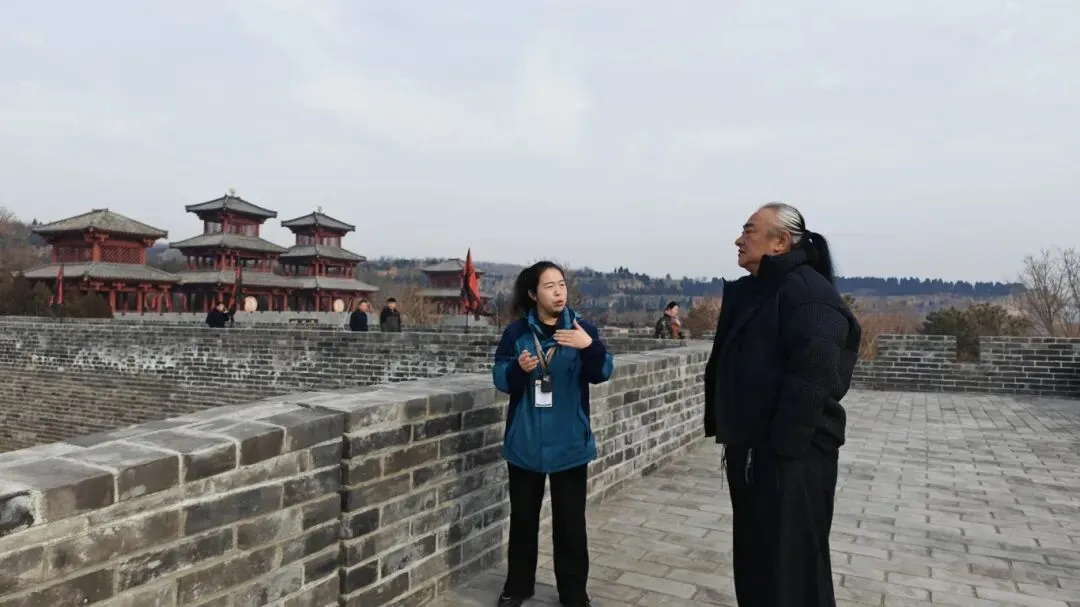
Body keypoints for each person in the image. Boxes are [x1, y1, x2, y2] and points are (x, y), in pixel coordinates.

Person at [704, 202, 861, 607]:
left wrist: (779, 451)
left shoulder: (808, 294)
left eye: (749, 230)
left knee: (794, 573)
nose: (739, 240)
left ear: (780, 242)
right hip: (757, 455)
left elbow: (815, 377)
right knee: (759, 566)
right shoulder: (762, 291)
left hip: (791, 460)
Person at [492, 261, 614, 607]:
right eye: (550, 286)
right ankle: (518, 587)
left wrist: (588, 345)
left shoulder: (581, 329)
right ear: (533, 294)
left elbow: (603, 371)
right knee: (523, 521)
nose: (559, 292)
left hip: (569, 443)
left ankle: (573, 593)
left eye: (561, 284)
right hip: (525, 442)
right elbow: (500, 377)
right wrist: (518, 369)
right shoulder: (516, 333)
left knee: (571, 524)